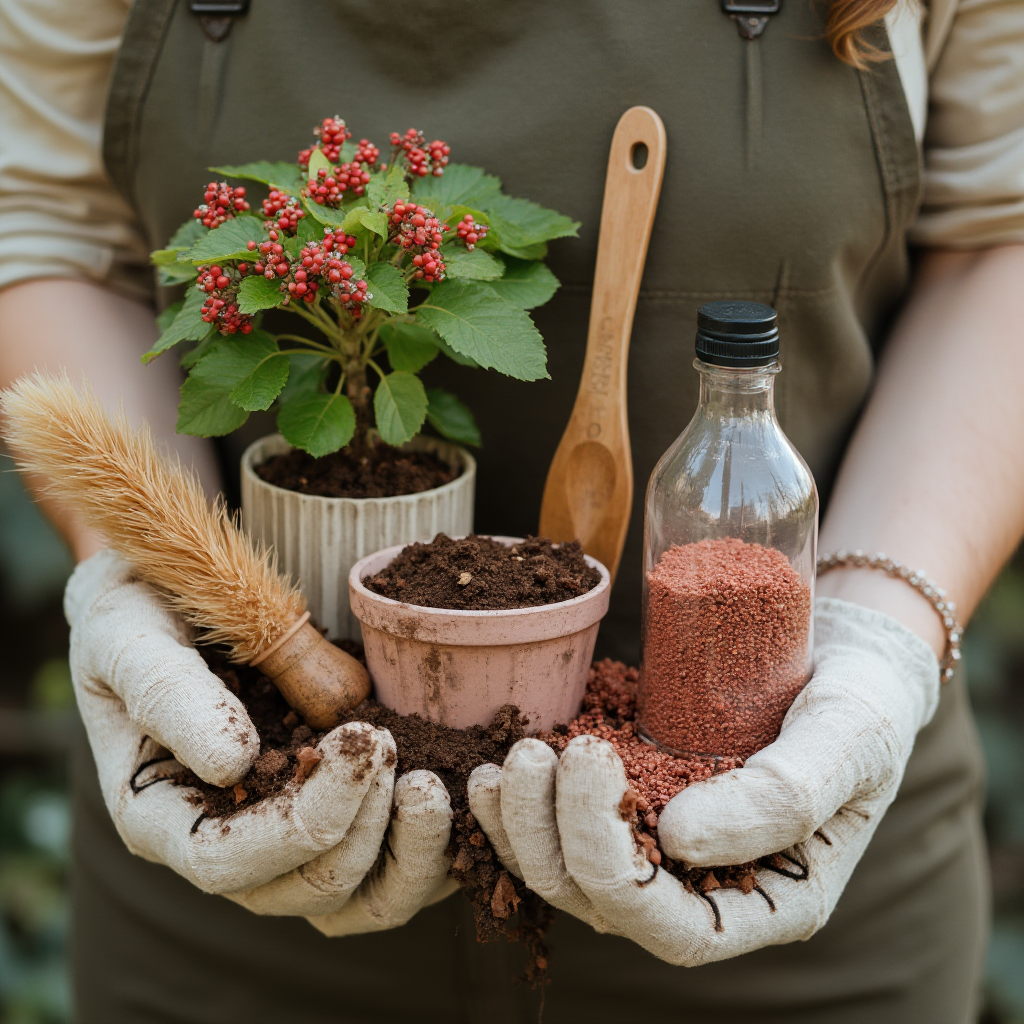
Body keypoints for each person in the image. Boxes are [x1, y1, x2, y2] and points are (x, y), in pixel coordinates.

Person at [1, 0, 1022, 1020]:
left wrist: (880, 631)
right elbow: (46, 222)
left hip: (778, 866)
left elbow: (1000, 233)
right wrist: (139, 567)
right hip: (230, 899)